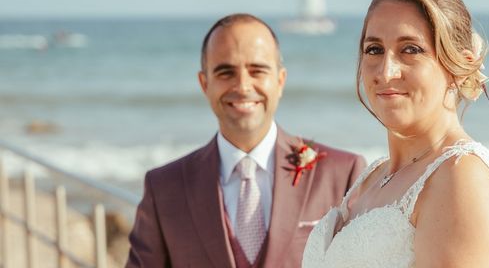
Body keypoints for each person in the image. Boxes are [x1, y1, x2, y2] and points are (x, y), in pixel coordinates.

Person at [303, 0, 489, 268]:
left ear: (459, 66)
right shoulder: (374, 176)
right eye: (374, 49)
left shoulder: (461, 177)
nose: (386, 71)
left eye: (411, 50)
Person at [126, 14, 366, 268]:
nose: (242, 85)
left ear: (280, 80)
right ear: (204, 83)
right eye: (225, 72)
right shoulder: (163, 188)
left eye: (257, 70)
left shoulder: (342, 174)